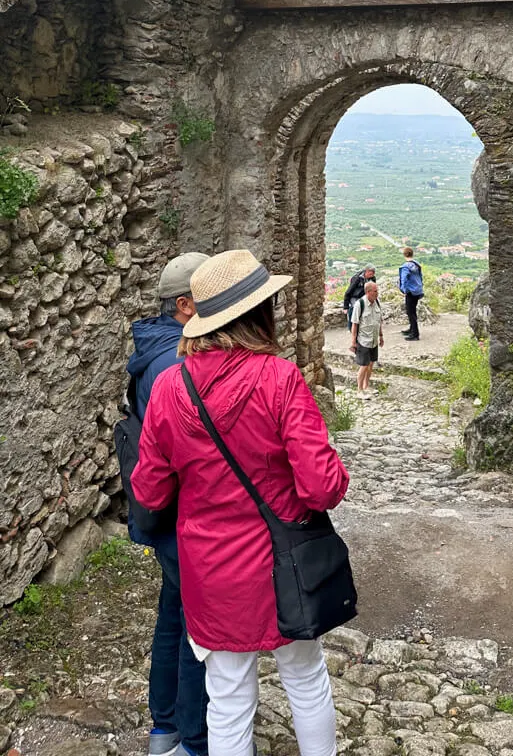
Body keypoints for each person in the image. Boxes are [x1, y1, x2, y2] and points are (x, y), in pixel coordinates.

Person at [132, 249, 350, 756]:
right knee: (305, 676)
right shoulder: (279, 379)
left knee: (226, 694)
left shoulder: (169, 387)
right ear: (259, 313)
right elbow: (321, 486)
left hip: (210, 567)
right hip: (284, 565)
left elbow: (149, 490)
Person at [126, 251, 211, 756]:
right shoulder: (171, 364)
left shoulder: (157, 345)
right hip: (185, 514)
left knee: (174, 615)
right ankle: (194, 738)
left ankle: (165, 728)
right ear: (185, 304)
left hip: (167, 514)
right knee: (197, 631)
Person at [349, 279, 384, 398]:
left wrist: (381, 336)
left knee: (370, 364)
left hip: (373, 340)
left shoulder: (377, 303)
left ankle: (366, 386)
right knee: (363, 366)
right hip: (363, 340)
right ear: (368, 292)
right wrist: (353, 342)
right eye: (375, 291)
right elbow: (354, 324)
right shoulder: (360, 304)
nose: (377, 293)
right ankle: (359, 390)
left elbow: (378, 321)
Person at [398, 247, 423, 342]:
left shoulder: (405, 267)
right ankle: (411, 329)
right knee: (413, 311)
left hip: (410, 291)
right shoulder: (417, 265)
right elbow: (420, 277)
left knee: (410, 312)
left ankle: (415, 334)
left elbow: (403, 279)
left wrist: (403, 289)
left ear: (404, 254)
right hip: (417, 290)